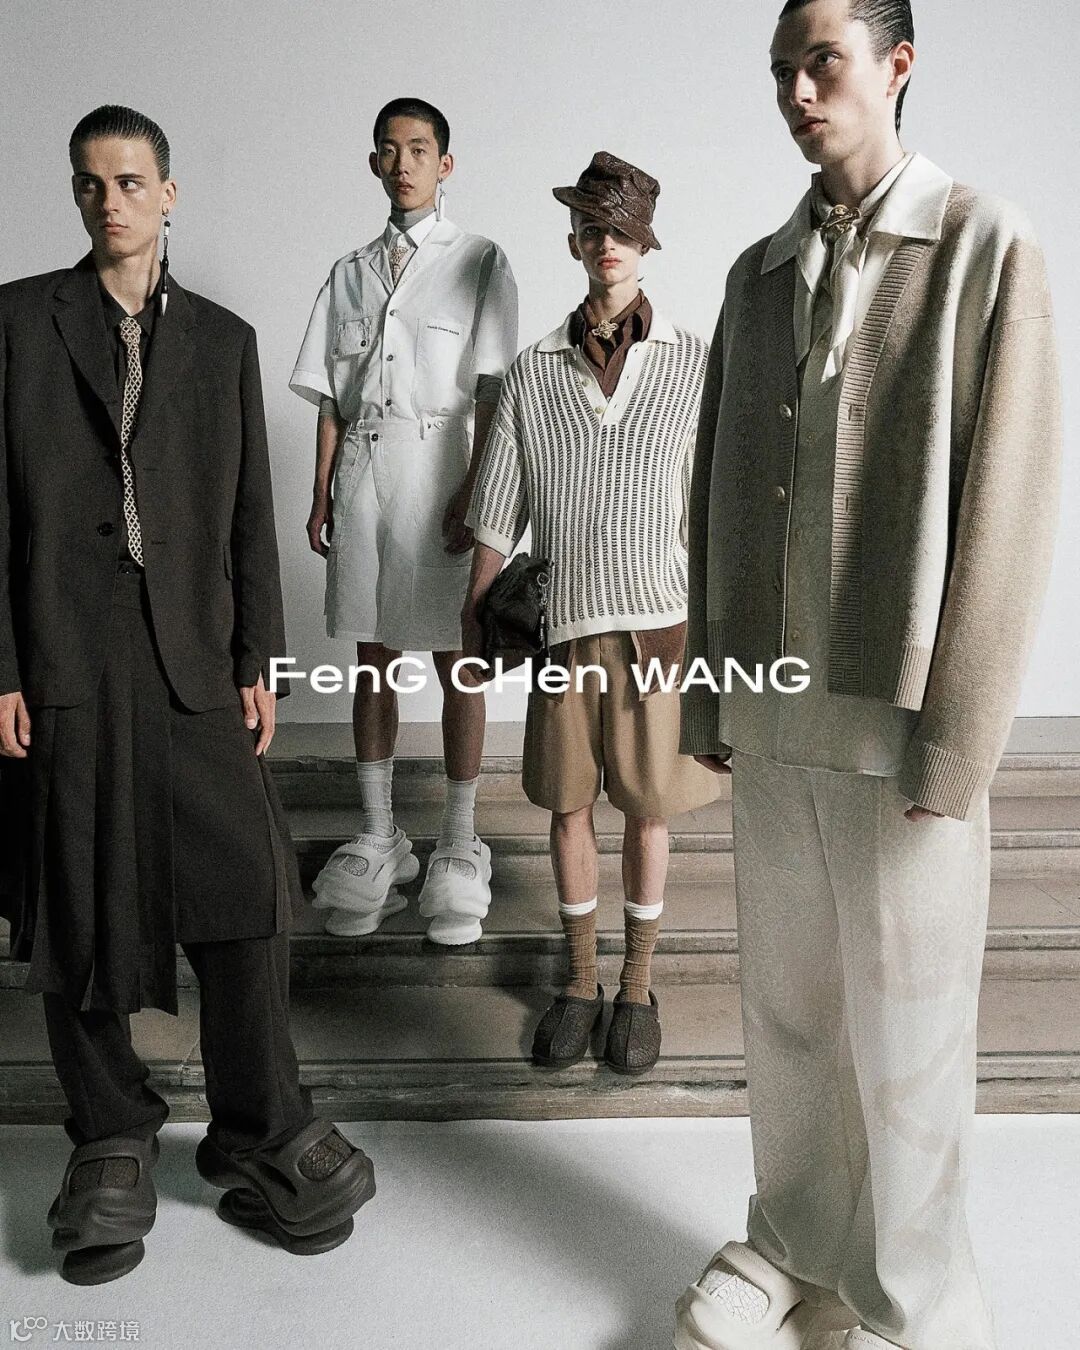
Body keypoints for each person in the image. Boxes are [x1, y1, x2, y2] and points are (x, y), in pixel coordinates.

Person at [673, 3, 1061, 1348]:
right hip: (772, 712)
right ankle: (795, 1242)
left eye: (822, 60)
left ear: (898, 65)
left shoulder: (986, 247)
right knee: (789, 1016)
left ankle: (922, 1299)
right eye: (782, 68)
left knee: (911, 1033)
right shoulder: (753, 276)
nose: (797, 89)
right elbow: (713, 496)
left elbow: (1011, 508)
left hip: (898, 732)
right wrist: (709, 691)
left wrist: (958, 742)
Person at [0, 106, 374, 1286]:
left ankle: (259, 1127)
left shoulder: (224, 339)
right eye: (90, 183)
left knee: (246, 889)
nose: (109, 200)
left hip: (195, 653)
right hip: (63, 651)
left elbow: (248, 510)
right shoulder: (17, 321)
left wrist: (260, 656)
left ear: (169, 194)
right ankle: (110, 1137)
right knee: (73, 897)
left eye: (130, 181)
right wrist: (1, 668)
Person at [463, 153, 719, 1077]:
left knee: (650, 810)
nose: (606, 243)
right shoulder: (533, 372)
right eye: (591, 227)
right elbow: (497, 505)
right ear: (573, 241)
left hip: (660, 625)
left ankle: (637, 986)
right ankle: (579, 982)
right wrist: (475, 614)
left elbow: (714, 508)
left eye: (622, 229)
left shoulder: (694, 363)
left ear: (645, 244)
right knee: (568, 805)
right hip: (565, 624)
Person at [290, 98, 518, 945]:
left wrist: (478, 493)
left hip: (442, 471)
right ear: (375, 163)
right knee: (373, 655)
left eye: (419, 149)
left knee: (461, 657)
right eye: (389, 150)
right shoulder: (349, 271)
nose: (403, 163)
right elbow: (330, 397)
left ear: (444, 163)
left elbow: (493, 389)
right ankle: (381, 831)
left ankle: (459, 838)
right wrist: (322, 491)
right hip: (364, 477)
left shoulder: (480, 260)